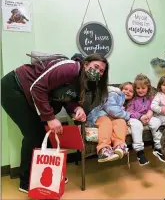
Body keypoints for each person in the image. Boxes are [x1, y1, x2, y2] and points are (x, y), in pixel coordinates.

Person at [1, 53, 109, 193]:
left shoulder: (83, 81)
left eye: (101, 71)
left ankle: (53, 172)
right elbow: (37, 88)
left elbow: (64, 96)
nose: (98, 72)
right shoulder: (70, 68)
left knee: (44, 133)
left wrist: (76, 108)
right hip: (14, 87)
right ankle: (26, 182)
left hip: (31, 96)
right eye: (96, 67)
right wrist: (50, 118)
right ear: (86, 63)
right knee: (33, 134)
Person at [86, 85, 133, 162]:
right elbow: (111, 109)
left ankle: (119, 146)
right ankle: (103, 149)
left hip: (112, 118)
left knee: (121, 121)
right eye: (125, 89)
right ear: (121, 89)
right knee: (106, 122)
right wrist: (128, 115)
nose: (127, 91)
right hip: (99, 115)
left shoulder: (125, 102)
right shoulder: (114, 93)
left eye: (131, 91)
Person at [126, 74, 163, 166]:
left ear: (148, 88)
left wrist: (148, 115)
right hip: (134, 118)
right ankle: (140, 152)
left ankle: (158, 148)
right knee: (137, 125)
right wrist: (140, 117)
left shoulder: (150, 98)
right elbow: (129, 111)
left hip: (147, 117)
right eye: (138, 88)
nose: (140, 90)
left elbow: (152, 108)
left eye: (143, 88)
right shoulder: (133, 99)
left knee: (157, 122)